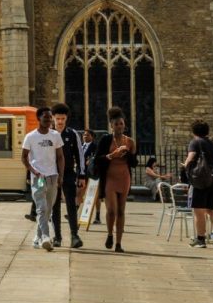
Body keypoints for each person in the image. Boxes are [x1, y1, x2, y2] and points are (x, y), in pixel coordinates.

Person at [20, 107, 65, 251]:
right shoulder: (30, 137)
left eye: (50, 117)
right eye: (45, 117)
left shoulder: (55, 135)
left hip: (53, 177)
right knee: (41, 208)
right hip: (38, 177)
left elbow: (60, 157)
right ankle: (46, 237)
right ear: (39, 118)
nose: (48, 120)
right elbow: (24, 157)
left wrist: (61, 175)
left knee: (48, 209)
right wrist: (33, 171)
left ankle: (37, 237)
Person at [94, 107, 136, 253]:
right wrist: (112, 155)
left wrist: (127, 154)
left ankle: (118, 243)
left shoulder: (130, 142)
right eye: (116, 124)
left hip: (124, 177)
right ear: (111, 125)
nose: (119, 126)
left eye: (121, 124)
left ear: (124, 125)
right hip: (110, 178)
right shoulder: (105, 140)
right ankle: (110, 234)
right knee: (111, 210)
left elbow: (134, 163)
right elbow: (97, 160)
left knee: (121, 211)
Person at [184, 119, 213, 248]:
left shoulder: (195, 142)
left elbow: (190, 158)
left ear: (194, 132)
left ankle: (200, 239)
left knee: (198, 210)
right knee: (210, 209)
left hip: (201, 179)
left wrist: (186, 169)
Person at [52, 103, 87, 250]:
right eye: (58, 118)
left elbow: (79, 155)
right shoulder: (48, 133)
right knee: (54, 206)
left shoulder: (72, 134)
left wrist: (81, 175)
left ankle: (74, 235)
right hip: (52, 174)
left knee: (71, 205)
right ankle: (57, 237)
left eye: (63, 119)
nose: (60, 121)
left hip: (68, 174)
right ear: (53, 118)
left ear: (66, 119)